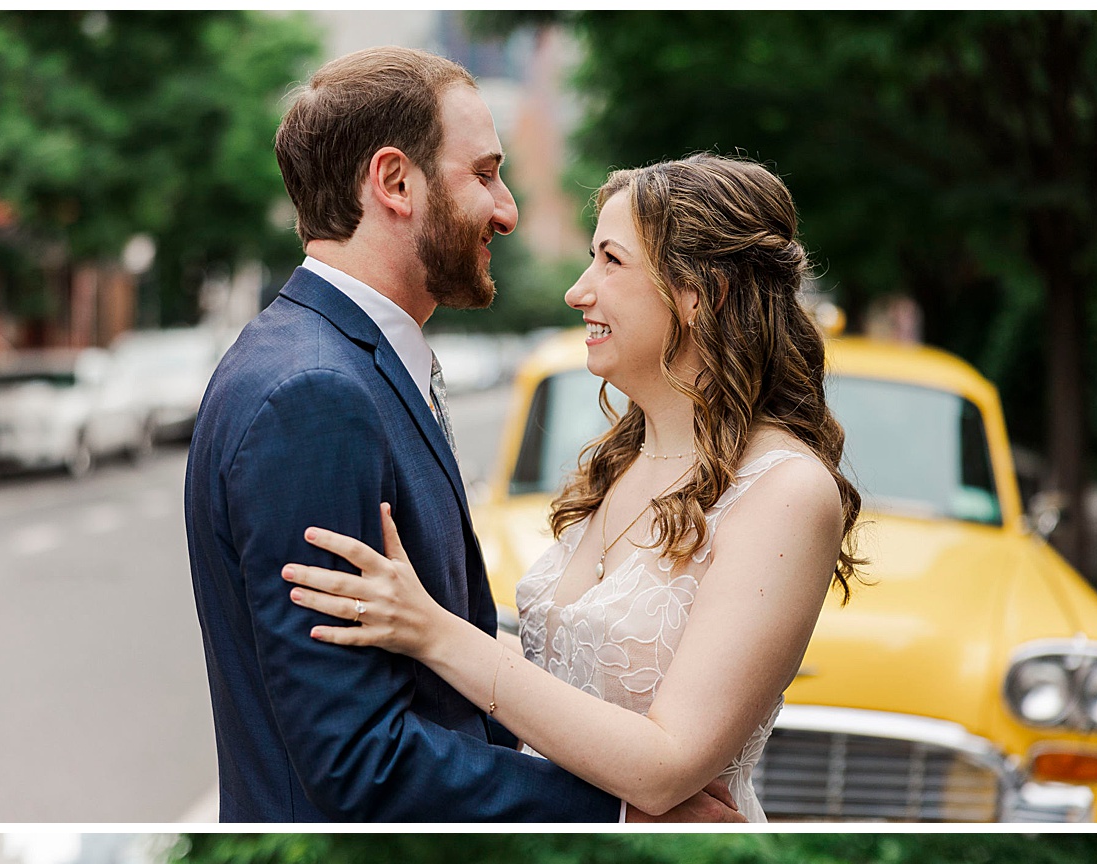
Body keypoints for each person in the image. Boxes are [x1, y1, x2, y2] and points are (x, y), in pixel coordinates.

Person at [185, 48, 738, 824]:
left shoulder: (329, 361)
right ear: (394, 182)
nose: (507, 210)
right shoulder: (313, 395)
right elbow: (357, 762)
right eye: (483, 174)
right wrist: (615, 813)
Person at [282, 155, 861, 821]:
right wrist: (402, 612)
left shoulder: (787, 493)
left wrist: (433, 632)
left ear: (702, 292)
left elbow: (666, 765)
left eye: (611, 262)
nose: (578, 291)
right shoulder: (617, 465)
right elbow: (561, 672)